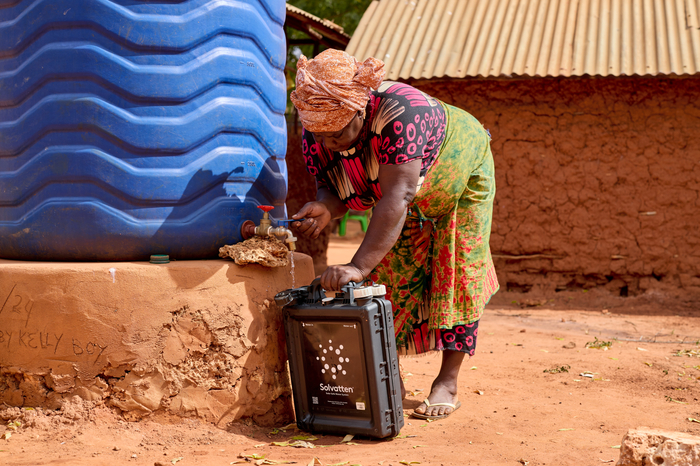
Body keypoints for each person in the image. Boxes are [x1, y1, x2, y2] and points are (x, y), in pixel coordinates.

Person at [289, 49, 499, 420]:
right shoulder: (317, 130)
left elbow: (397, 196)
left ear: (359, 110)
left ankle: (447, 382)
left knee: (459, 270)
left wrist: (357, 264)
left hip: (459, 180)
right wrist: (326, 207)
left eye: (338, 133)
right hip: (400, 197)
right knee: (387, 277)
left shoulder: (401, 114)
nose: (329, 144)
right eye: (320, 135)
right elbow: (332, 186)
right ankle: (389, 379)